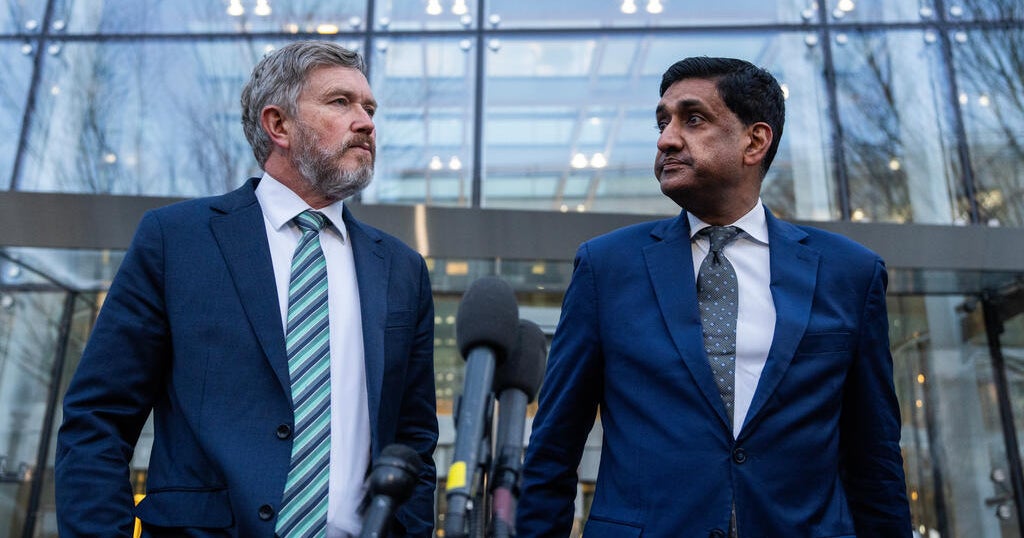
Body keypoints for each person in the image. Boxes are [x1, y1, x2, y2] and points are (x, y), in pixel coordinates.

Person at [54, 41, 438, 537]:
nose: (365, 122)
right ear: (278, 125)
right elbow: (98, 419)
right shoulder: (177, 239)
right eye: (340, 102)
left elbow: (414, 443)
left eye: (369, 108)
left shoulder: (402, 269)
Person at [516, 57, 911, 537]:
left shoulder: (849, 273)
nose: (666, 139)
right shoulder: (606, 267)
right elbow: (554, 448)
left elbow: (875, 457)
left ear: (755, 141)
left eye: (693, 119)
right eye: (663, 122)